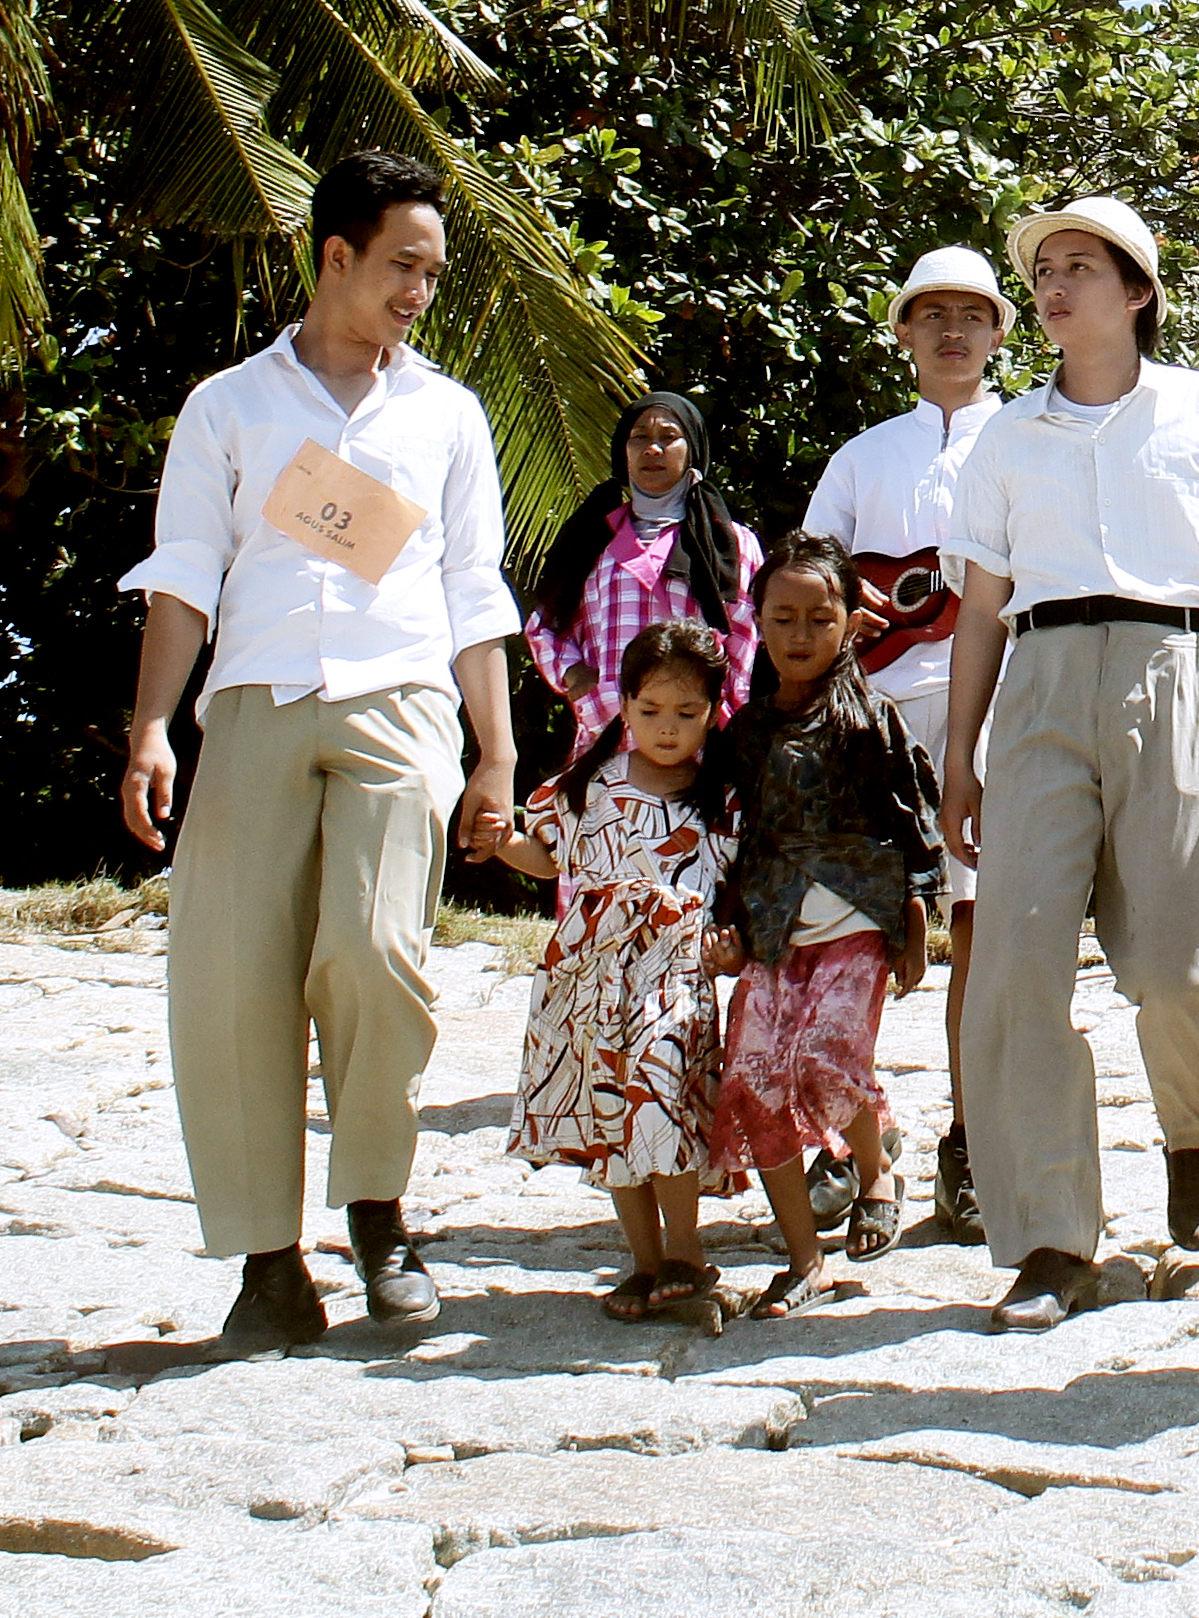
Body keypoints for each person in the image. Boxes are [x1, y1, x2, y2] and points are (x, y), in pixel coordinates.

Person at [116, 148, 516, 1356]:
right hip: (252, 701)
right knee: (231, 978)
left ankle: (380, 1214)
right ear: (334, 252)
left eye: (433, 274)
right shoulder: (228, 405)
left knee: (378, 951)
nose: (418, 290)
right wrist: (150, 722)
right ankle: (266, 1261)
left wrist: (496, 751)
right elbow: (184, 572)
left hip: (400, 702)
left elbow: (471, 585)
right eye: (403, 263)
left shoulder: (447, 412)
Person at [938, 195, 1199, 1332]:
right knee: (1015, 969)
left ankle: (1197, 1131)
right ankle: (1050, 1234)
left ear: (1135, 288)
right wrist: (960, 753)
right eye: (1042, 268)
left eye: (1078, 264)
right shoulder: (1004, 436)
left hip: (1172, 670)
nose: (1052, 284)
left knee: (1182, 962)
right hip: (1037, 682)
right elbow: (981, 606)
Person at [802, 245, 1010, 1234]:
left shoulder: (1028, 437)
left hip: (995, 712)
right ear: (903, 331)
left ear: (1003, 331)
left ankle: (970, 1145)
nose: (953, 330)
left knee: (980, 933)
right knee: (848, 936)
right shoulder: (862, 455)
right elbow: (813, 583)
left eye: (973, 313)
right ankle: (852, 1144)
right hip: (872, 716)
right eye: (933, 314)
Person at [710, 535, 943, 1311]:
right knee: (752, 1077)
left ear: (851, 621)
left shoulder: (869, 719)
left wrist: (916, 904)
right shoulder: (744, 733)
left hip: (855, 919)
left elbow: (914, 821)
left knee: (825, 1061)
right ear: (760, 624)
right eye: (783, 618)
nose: (801, 634)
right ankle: (804, 1257)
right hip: (775, 924)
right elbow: (727, 835)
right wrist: (727, 921)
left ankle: (875, 1171)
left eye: (820, 616)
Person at [492, 618, 743, 1321]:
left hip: (673, 977)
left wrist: (736, 950)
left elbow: (743, 895)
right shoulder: (591, 783)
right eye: (650, 709)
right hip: (593, 980)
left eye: (686, 713)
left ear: (713, 713)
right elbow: (550, 858)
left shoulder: (724, 800)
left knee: (660, 1095)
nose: (667, 727)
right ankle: (642, 1259)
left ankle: (687, 1251)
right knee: (614, 1117)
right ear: (625, 705)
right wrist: (501, 841)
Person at [524, 388, 764, 745]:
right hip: (605, 741)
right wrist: (578, 679)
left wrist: (716, 709)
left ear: (693, 449)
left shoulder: (730, 543)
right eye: (640, 438)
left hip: (701, 746)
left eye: (669, 437)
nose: (653, 449)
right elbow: (545, 624)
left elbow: (747, 633)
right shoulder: (592, 539)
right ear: (624, 452)